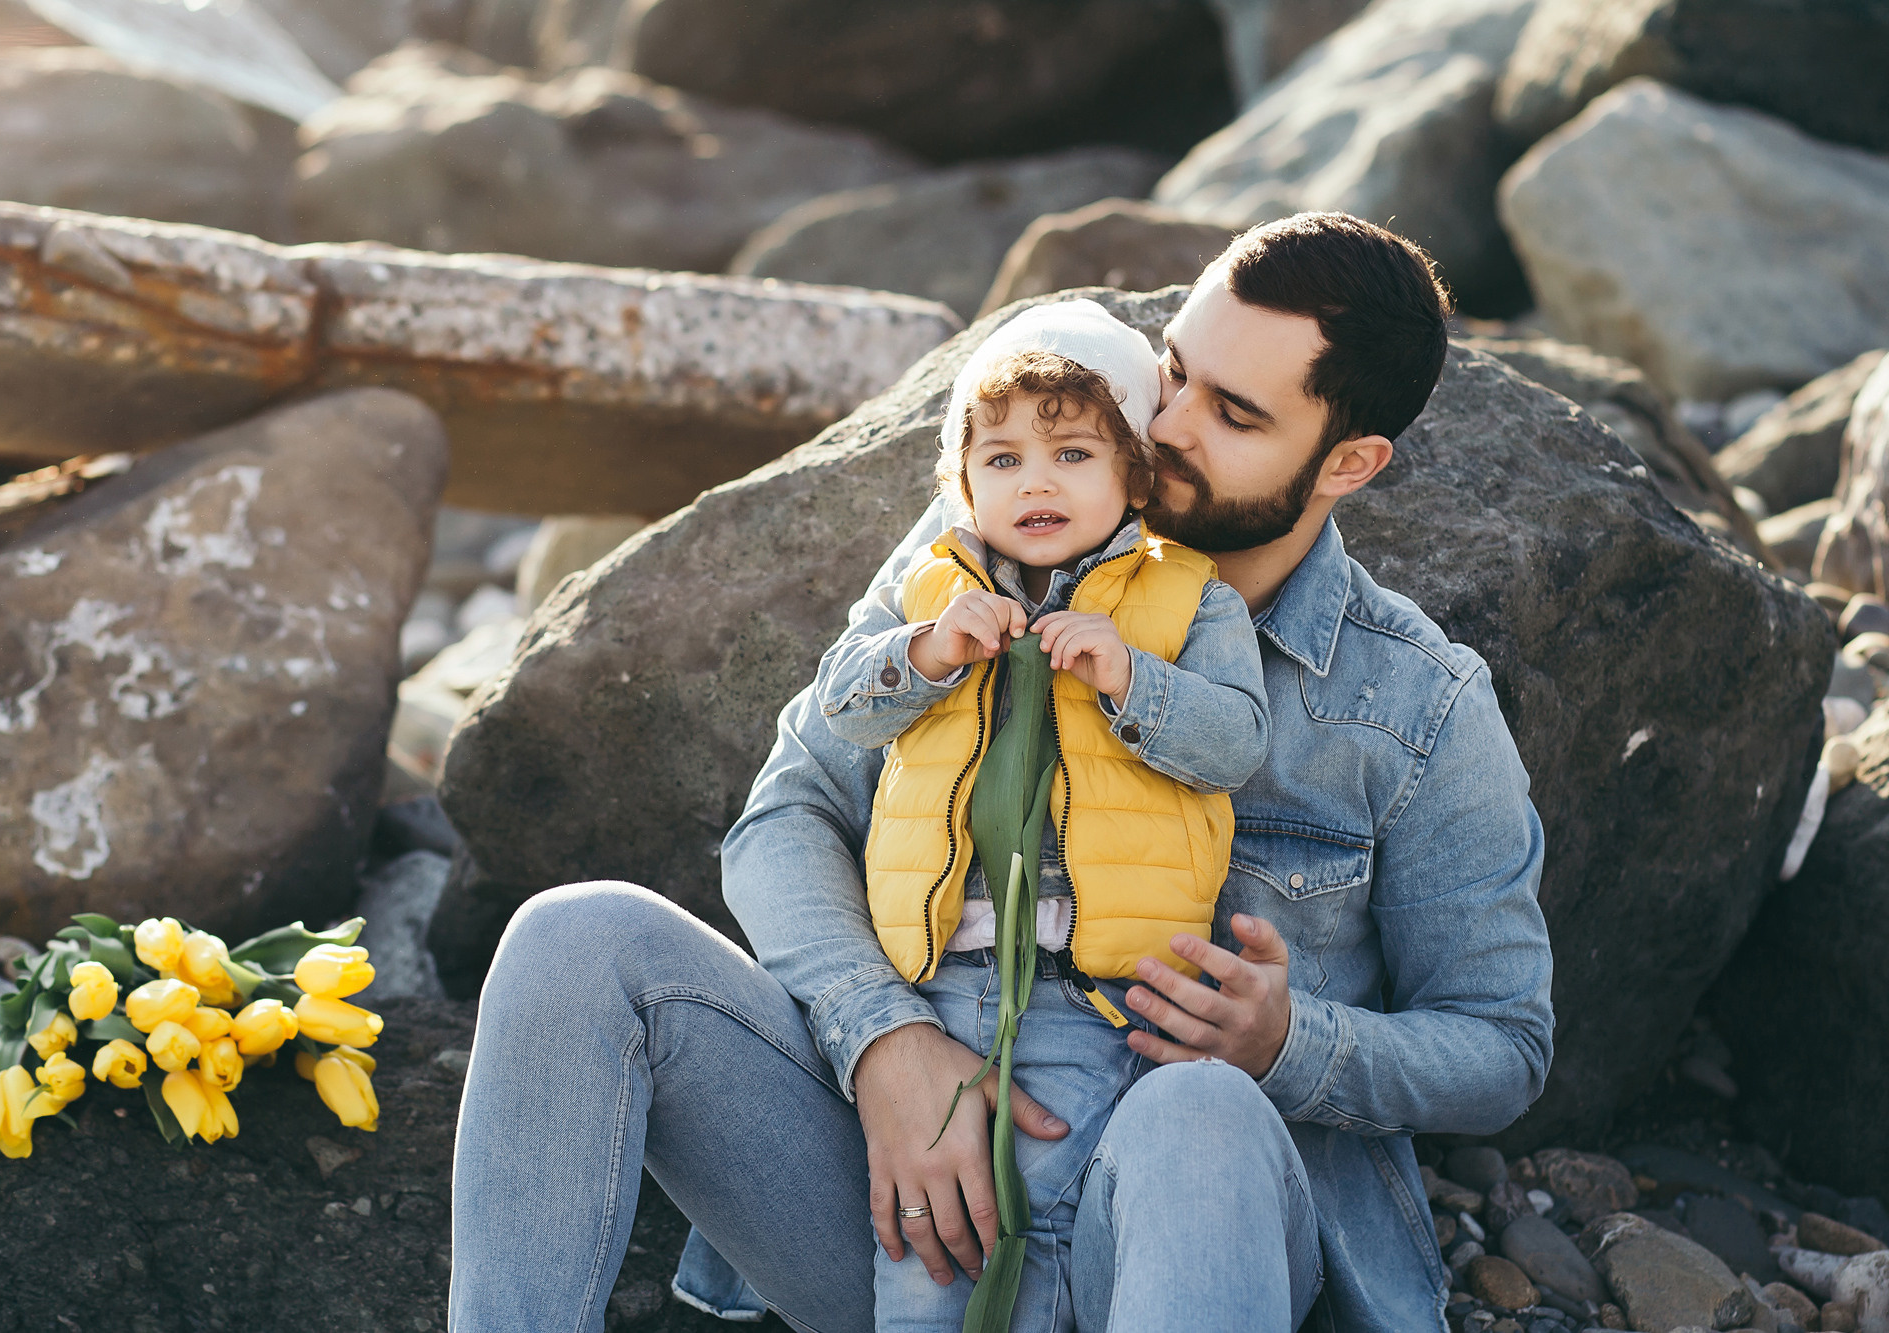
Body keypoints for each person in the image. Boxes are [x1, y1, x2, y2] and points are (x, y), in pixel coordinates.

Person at [449, 212, 1556, 1333]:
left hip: (1176, 1237)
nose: (1165, 424)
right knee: (575, 938)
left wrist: (1287, 1043)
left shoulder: (1414, 700)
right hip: (917, 1206)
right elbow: (787, 816)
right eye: (1175, 369)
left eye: (1233, 414)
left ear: (1349, 462)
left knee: (1199, 1107)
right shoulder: (988, 542)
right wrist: (884, 1042)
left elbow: (1502, 1045)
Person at [815, 298, 1270, 1324]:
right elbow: (841, 707)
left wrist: (1131, 680)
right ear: (962, 483)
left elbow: (1237, 743)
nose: (1036, 482)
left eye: (1072, 454)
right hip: (938, 983)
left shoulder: (1189, 598)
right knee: (928, 1247)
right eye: (1004, 459)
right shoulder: (928, 592)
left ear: (1133, 477)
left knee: (1038, 1211)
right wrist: (928, 650)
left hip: (1087, 993)